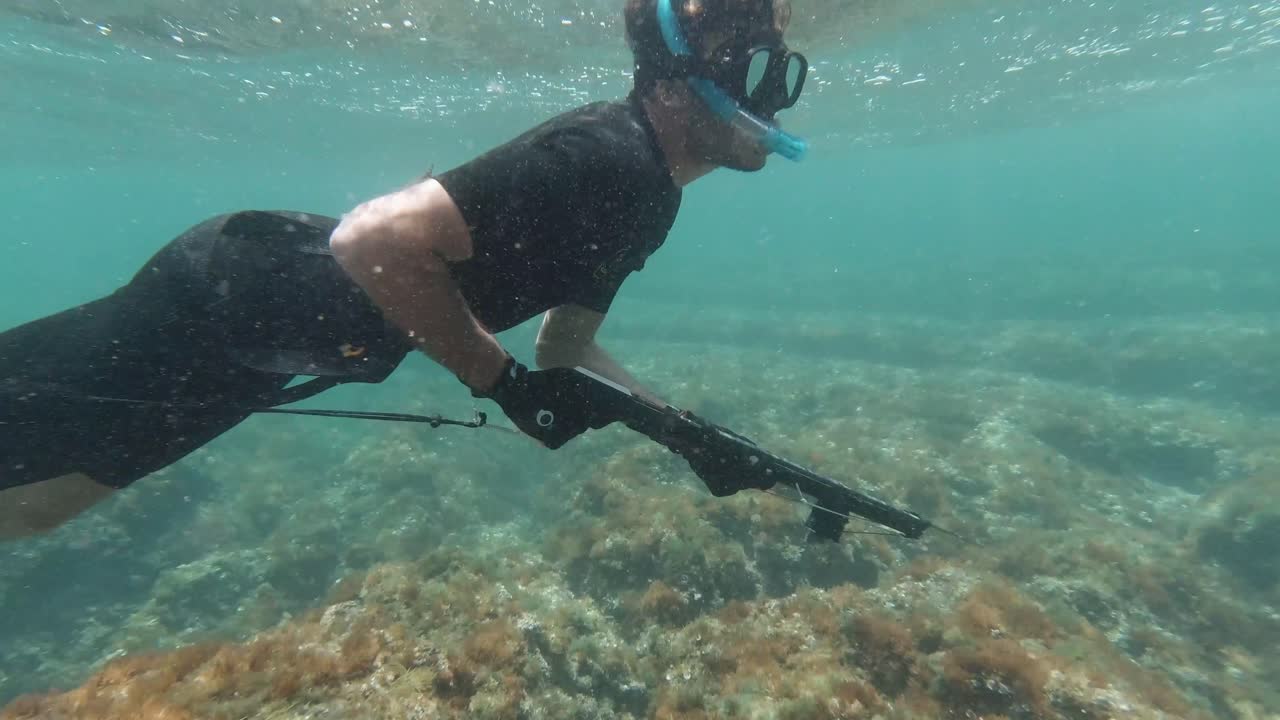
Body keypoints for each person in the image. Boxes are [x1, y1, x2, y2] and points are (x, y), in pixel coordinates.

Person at [0, 0, 809, 540]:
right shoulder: (606, 156)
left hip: (279, 342)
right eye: (759, 71)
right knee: (38, 469)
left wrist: (682, 430)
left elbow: (567, 347)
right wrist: (501, 383)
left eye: (783, 75)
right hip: (230, 295)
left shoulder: (651, 199)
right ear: (677, 75)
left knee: (47, 499)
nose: (774, 104)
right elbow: (373, 242)